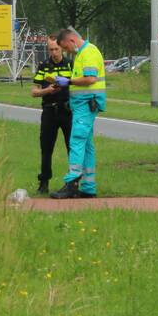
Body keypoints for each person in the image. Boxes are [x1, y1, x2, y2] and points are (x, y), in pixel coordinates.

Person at [50, 28, 107, 199]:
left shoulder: (88, 53)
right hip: (84, 104)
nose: (67, 51)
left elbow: (90, 79)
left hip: (87, 104)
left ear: (72, 41)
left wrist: (68, 81)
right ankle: (89, 186)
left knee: (76, 141)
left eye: (66, 48)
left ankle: (72, 182)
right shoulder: (84, 53)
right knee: (87, 145)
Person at [31, 35, 73, 195]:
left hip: (67, 110)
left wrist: (66, 86)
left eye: (56, 49)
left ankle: (72, 181)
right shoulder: (44, 66)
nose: (54, 52)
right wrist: (46, 90)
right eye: (51, 49)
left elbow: (77, 84)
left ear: (62, 48)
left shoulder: (70, 65)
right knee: (46, 148)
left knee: (72, 147)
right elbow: (34, 92)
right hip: (49, 110)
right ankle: (44, 181)